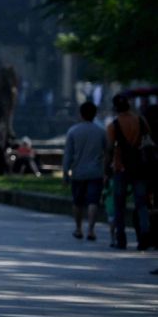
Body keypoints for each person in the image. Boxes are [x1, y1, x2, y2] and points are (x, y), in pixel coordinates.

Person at [106, 93, 152, 250]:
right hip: (140, 166)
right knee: (141, 204)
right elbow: (148, 139)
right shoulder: (140, 120)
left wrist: (107, 168)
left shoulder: (113, 125)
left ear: (115, 108)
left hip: (121, 167)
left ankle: (121, 238)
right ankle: (145, 235)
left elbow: (110, 148)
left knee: (119, 204)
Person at [63, 101, 107, 241]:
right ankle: (91, 230)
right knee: (93, 202)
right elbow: (107, 152)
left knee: (78, 202)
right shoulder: (101, 131)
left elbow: (68, 155)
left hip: (78, 173)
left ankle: (78, 228)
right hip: (96, 172)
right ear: (95, 114)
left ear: (80, 114)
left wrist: (65, 172)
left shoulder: (73, 131)